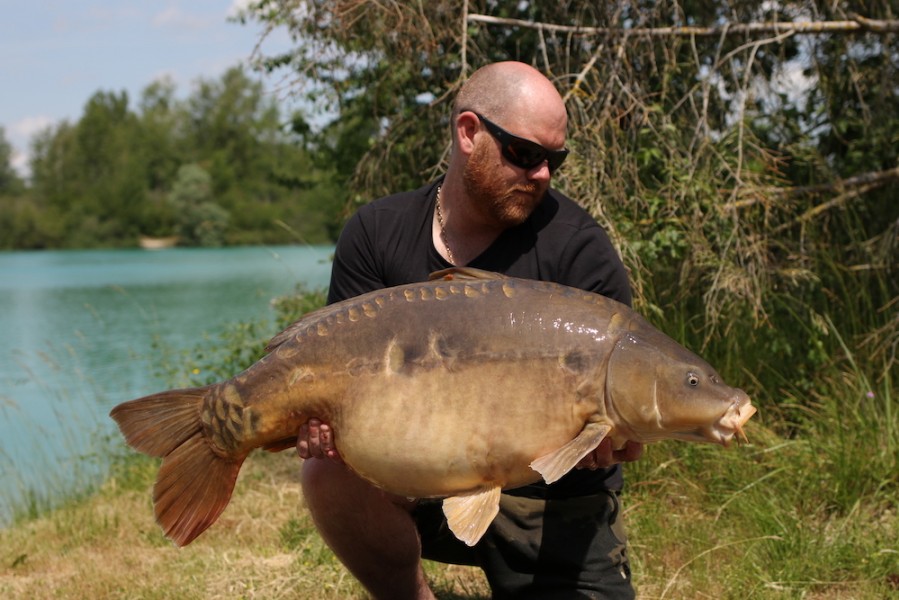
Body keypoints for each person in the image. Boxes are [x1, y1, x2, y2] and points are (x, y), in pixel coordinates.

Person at [296, 61, 644, 599]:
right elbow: (335, 376)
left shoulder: (580, 250)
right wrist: (323, 422)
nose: (543, 175)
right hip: (417, 480)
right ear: (469, 133)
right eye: (525, 155)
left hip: (553, 502)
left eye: (555, 160)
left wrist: (610, 437)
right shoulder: (376, 233)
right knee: (326, 472)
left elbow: (621, 416)